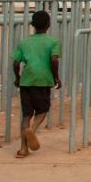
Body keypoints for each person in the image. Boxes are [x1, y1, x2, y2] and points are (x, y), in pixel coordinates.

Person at [11, 11, 61, 158]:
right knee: (43, 109)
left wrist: (17, 77)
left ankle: (23, 149)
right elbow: (54, 60)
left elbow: (15, 62)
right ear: (48, 25)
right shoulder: (53, 42)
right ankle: (32, 129)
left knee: (26, 114)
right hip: (43, 79)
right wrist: (56, 77)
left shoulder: (24, 42)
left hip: (26, 80)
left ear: (32, 25)